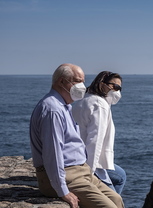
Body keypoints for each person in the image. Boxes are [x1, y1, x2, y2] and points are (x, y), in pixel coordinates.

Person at [29, 63, 124, 208]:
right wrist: (62, 191)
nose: (82, 86)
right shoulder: (53, 110)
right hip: (67, 176)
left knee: (117, 200)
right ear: (62, 81)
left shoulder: (65, 106)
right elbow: (53, 155)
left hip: (81, 171)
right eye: (78, 81)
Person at [72, 71, 126, 194]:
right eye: (114, 86)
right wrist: (89, 173)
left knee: (121, 175)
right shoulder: (99, 105)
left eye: (119, 88)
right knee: (113, 199)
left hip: (77, 156)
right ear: (102, 84)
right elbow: (95, 140)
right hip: (88, 162)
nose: (116, 91)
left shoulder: (86, 99)